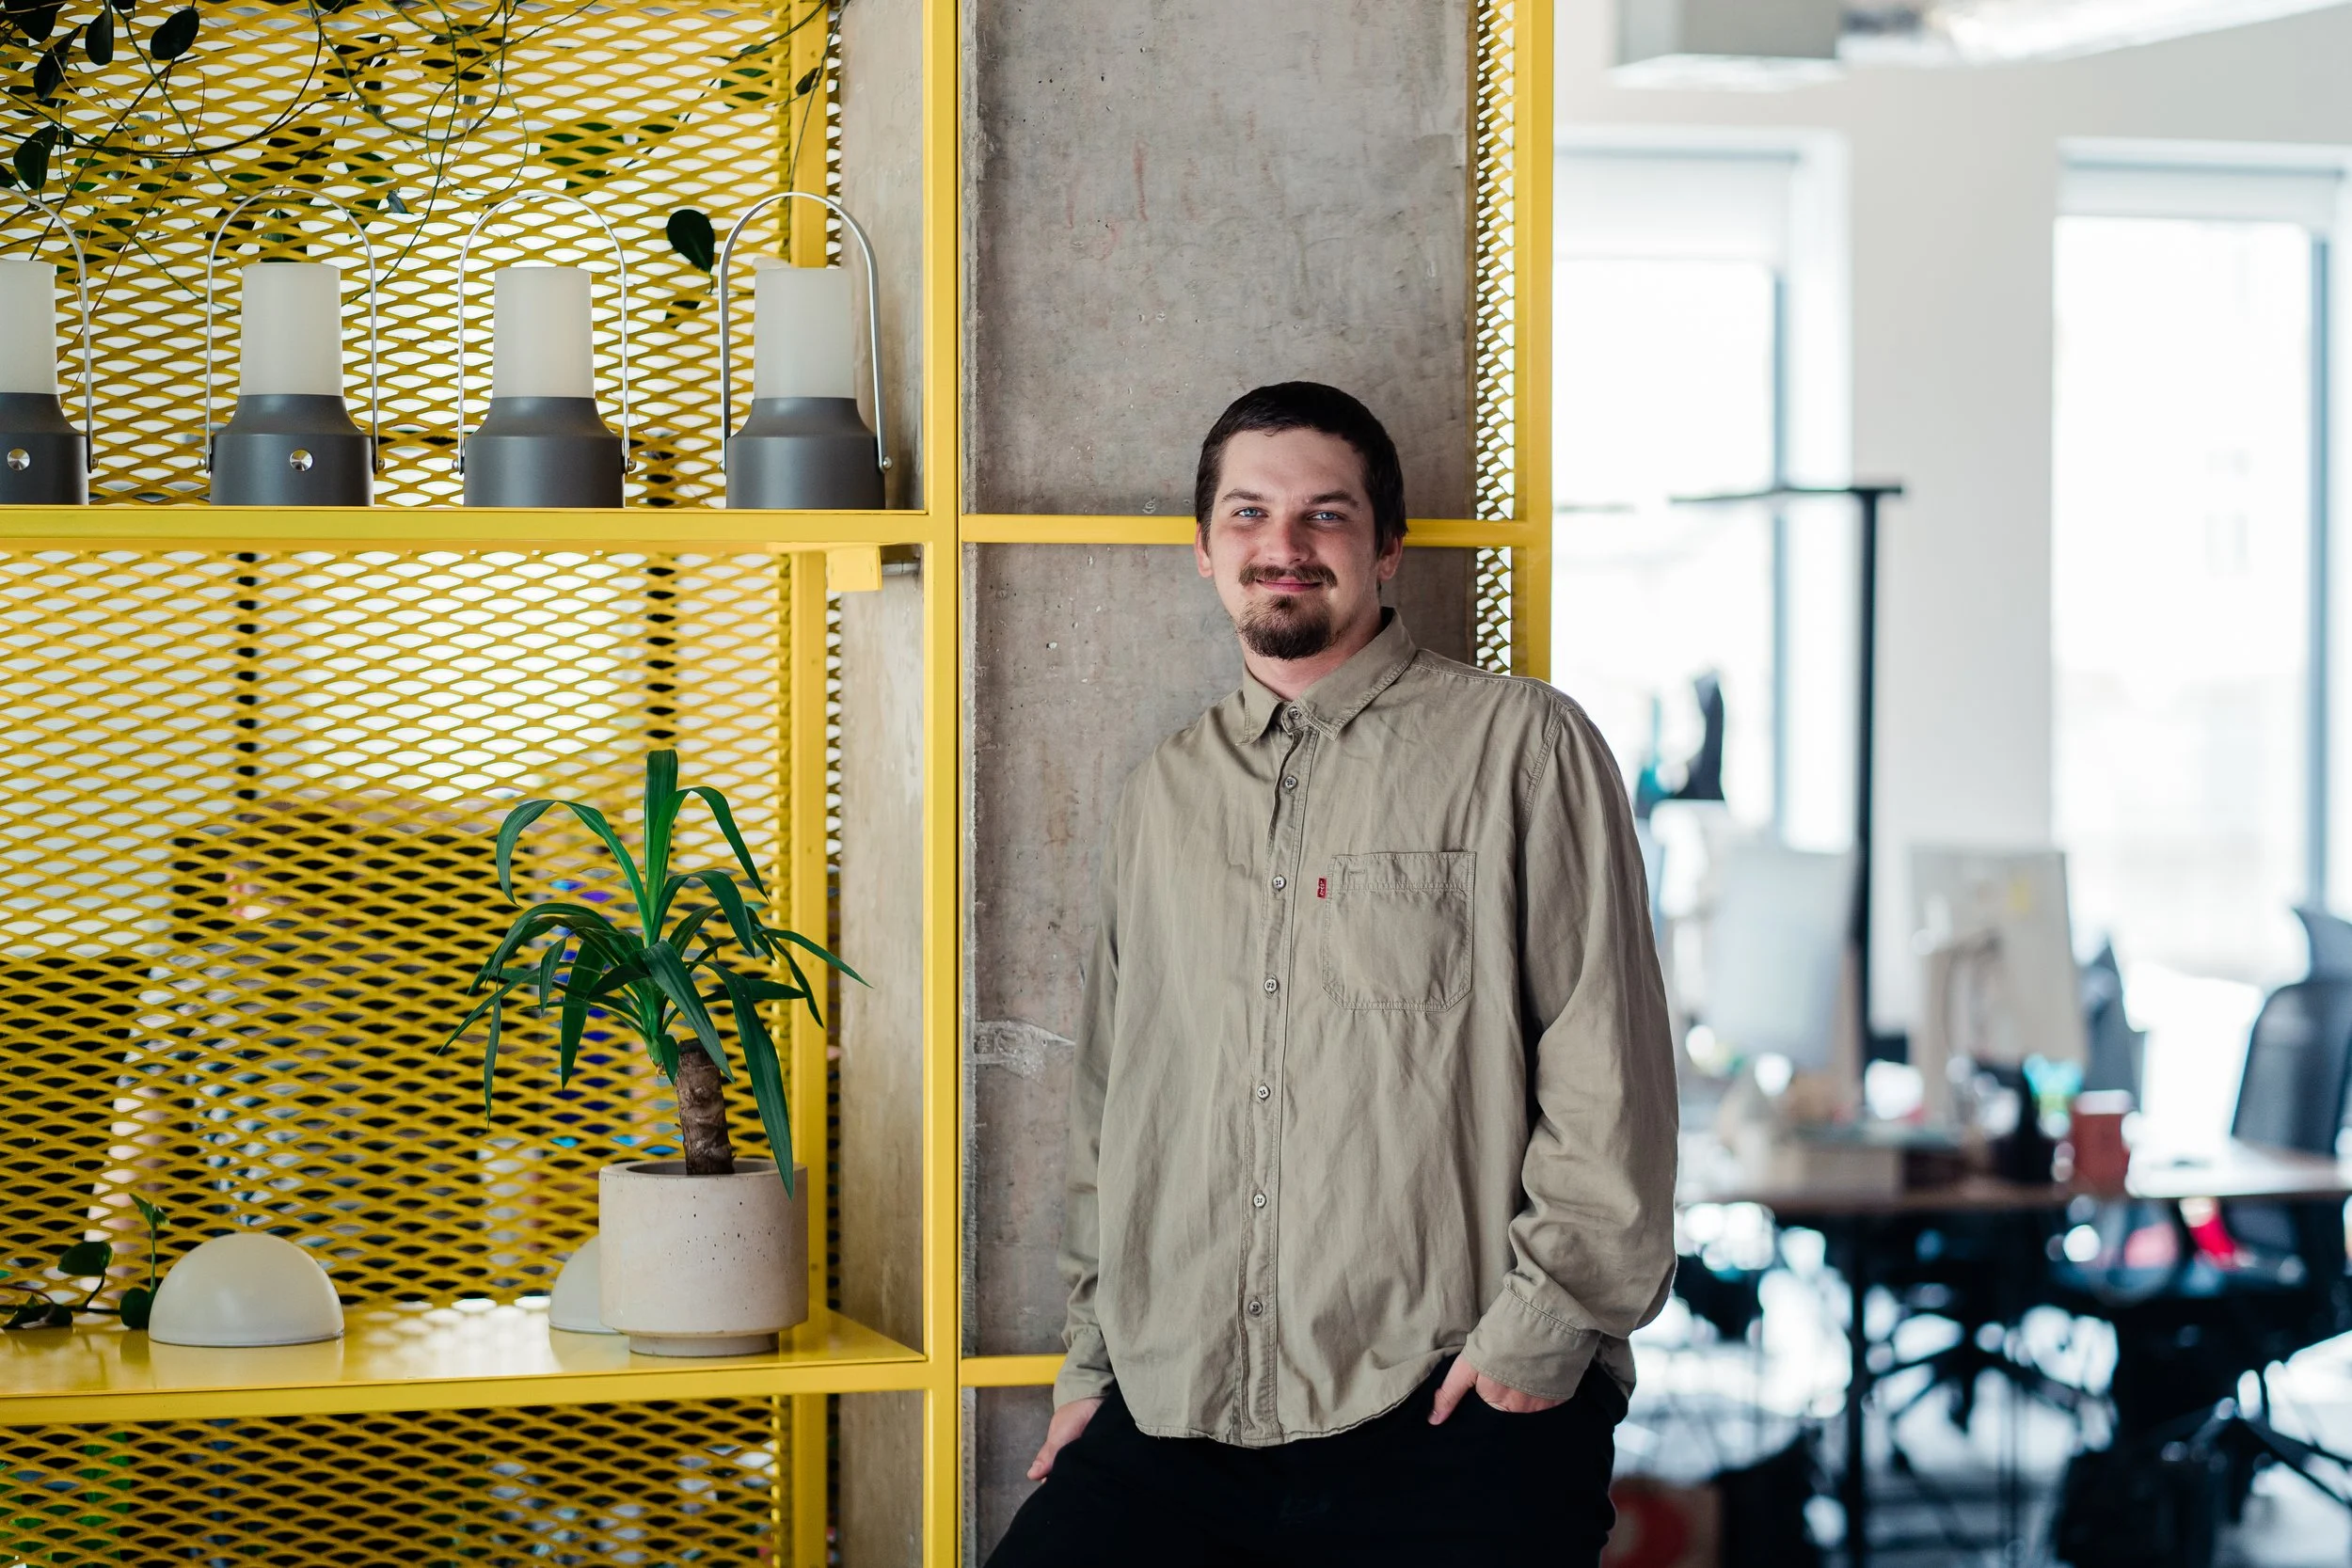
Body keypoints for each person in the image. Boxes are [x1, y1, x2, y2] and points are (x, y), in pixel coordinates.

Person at [986, 382, 1679, 1567]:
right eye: (1248, 515)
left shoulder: (1522, 746)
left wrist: (1537, 1336)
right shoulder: (1162, 791)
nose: (1284, 547)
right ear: (1204, 551)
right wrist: (1094, 1358)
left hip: (1445, 1414)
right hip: (1175, 1410)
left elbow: (1606, 1066)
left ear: (1387, 545)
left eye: (1326, 515)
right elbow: (1120, 1098)